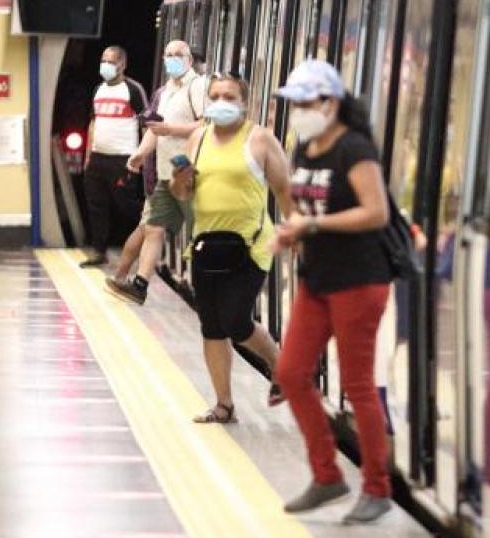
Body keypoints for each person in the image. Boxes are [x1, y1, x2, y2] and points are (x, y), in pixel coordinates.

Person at [272, 60, 395, 526]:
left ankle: (377, 488)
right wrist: (292, 231)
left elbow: (376, 212)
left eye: (305, 103)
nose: (298, 112)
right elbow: (303, 207)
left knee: (357, 386)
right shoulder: (305, 147)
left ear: (330, 103)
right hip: (318, 277)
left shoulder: (354, 149)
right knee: (291, 372)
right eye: (294, 104)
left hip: (359, 280)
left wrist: (314, 225)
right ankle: (327, 475)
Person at [169, 72, 293, 423]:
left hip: (251, 247)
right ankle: (224, 405)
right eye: (215, 96)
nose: (221, 102)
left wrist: (297, 232)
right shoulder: (197, 138)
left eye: (229, 97)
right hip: (206, 246)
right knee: (212, 325)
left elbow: (284, 190)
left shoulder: (260, 139)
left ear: (244, 103)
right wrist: (181, 181)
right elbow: (182, 194)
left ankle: (279, 364)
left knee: (236, 320)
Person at [106, 40, 204, 305]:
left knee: (200, 231)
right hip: (165, 172)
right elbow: (155, 128)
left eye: (178, 55)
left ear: (189, 60)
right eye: (168, 55)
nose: (172, 59)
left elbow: (205, 124)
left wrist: (172, 130)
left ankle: (209, 288)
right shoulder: (166, 90)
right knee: (152, 228)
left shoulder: (197, 86)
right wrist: (140, 154)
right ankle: (140, 285)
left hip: (188, 170)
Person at [80, 46, 148, 268]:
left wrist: (142, 156)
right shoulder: (98, 89)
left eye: (111, 61)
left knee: (126, 204)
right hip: (98, 158)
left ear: (122, 65)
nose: (106, 65)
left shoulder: (133, 89)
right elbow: (93, 123)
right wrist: (88, 156)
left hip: (123, 158)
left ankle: (150, 239)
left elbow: (146, 124)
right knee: (96, 205)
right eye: (103, 60)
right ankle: (99, 251)